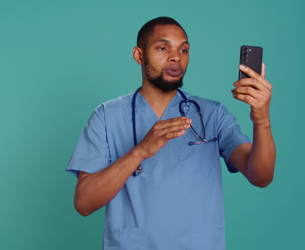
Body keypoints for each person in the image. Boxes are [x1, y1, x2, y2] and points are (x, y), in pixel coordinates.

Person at [66, 16, 275, 250]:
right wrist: (139, 152)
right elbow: (84, 203)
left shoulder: (211, 115)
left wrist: (261, 119)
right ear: (139, 56)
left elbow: (261, 177)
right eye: (163, 48)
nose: (176, 56)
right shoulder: (107, 116)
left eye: (184, 49)